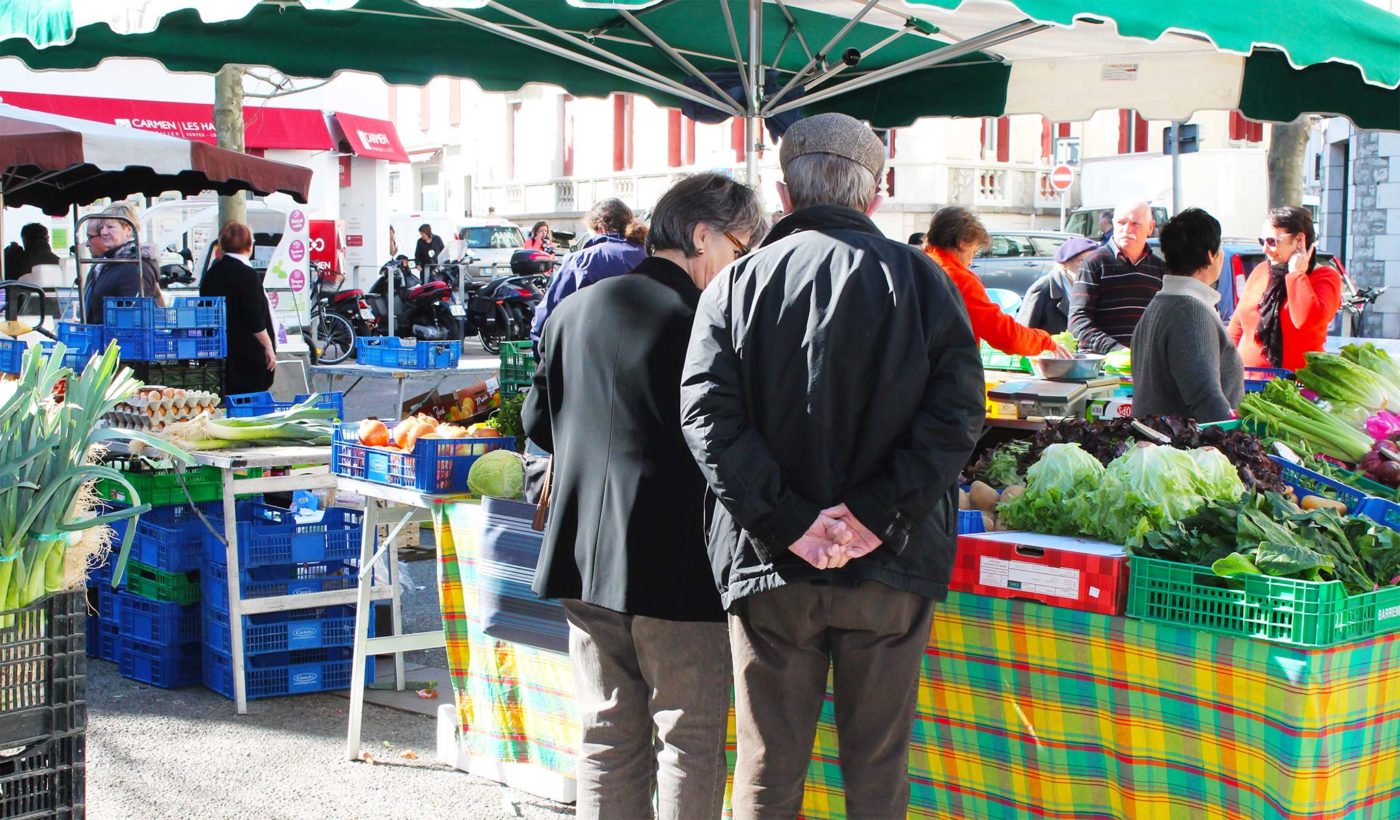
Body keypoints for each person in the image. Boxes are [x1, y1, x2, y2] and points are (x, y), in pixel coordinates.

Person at [680, 112, 985, 818]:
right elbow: (959, 415)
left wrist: (791, 522)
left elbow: (707, 418)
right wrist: (873, 516)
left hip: (772, 566)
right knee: (876, 771)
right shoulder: (925, 281)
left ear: (784, 194)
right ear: (873, 195)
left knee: (766, 765)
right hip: (886, 564)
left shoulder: (735, 283)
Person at [523, 173, 767, 820]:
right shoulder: (702, 323)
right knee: (688, 740)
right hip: (675, 562)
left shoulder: (575, 309)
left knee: (606, 736)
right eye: (740, 251)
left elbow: (535, 423)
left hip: (581, 556)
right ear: (702, 234)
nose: (738, 269)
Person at [1131, 208, 1244, 422]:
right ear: (1211, 255)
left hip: (1166, 447)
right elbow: (1206, 399)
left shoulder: (1161, 303)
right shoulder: (1191, 312)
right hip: (1189, 450)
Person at [924, 206, 1069, 358]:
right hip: (946, 370)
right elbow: (1005, 336)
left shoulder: (915, 266)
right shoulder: (959, 279)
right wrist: (1045, 341)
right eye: (974, 251)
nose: (971, 261)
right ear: (963, 243)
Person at [1227, 206, 1342, 371]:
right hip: (1249, 380)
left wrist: (1296, 274)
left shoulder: (1325, 277)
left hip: (1298, 384)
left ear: (1299, 240)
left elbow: (1306, 321)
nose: (1265, 249)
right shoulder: (1261, 270)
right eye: (1262, 241)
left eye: (1272, 242)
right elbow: (1237, 326)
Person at [530, 198, 647, 344]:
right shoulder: (648, 254)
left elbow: (550, 311)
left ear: (600, 228)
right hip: (641, 350)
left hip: (593, 352)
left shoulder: (582, 260)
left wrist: (537, 345)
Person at [1069, 199, 1166, 353]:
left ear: (1151, 227)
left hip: (1146, 367)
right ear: (1113, 224)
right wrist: (1117, 351)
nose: (1127, 229)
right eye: (1122, 223)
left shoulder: (1159, 268)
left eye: (1135, 224)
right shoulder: (1094, 263)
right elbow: (1078, 321)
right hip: (1104, 369)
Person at [200, 221, 276, 395]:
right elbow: (254, 317)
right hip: (249, 355)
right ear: (249, 246)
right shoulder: (248, 274)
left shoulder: (212, 273)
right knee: (249, 403)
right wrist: (268, 346)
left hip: (222, 352)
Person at [83, 204, 161, 325]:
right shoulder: (110, 264)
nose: (104, 232)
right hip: (104, 339)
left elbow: (133, 315)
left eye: (110, 227)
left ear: (128, 229)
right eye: (102, 228)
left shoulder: (135, 266)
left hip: (121, 341)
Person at [1018, 235, 1099, 334]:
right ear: (1065, 263)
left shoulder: (1094, 286)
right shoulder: (1042, 289)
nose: (1090, 266)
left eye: (1094, 261)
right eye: (1082, 261)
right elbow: (1023, 332)